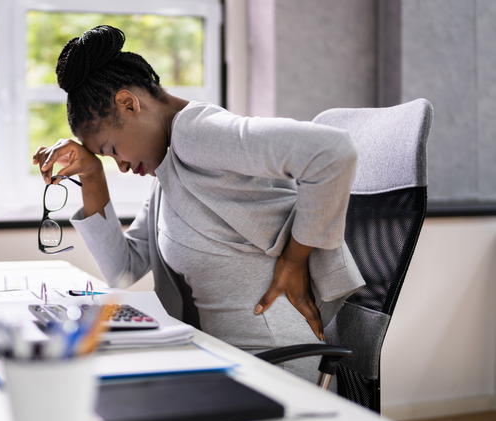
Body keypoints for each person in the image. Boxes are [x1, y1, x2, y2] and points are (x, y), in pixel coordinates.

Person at [32, 25, 364, 383]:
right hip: (219, 355)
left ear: (128, 104)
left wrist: (295, 260)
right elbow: (122, 269)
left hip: (270, 361)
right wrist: (93, 174)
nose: (122, 166)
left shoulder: (198, 133)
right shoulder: (170, 171)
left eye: (112, 150)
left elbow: (332, 152)